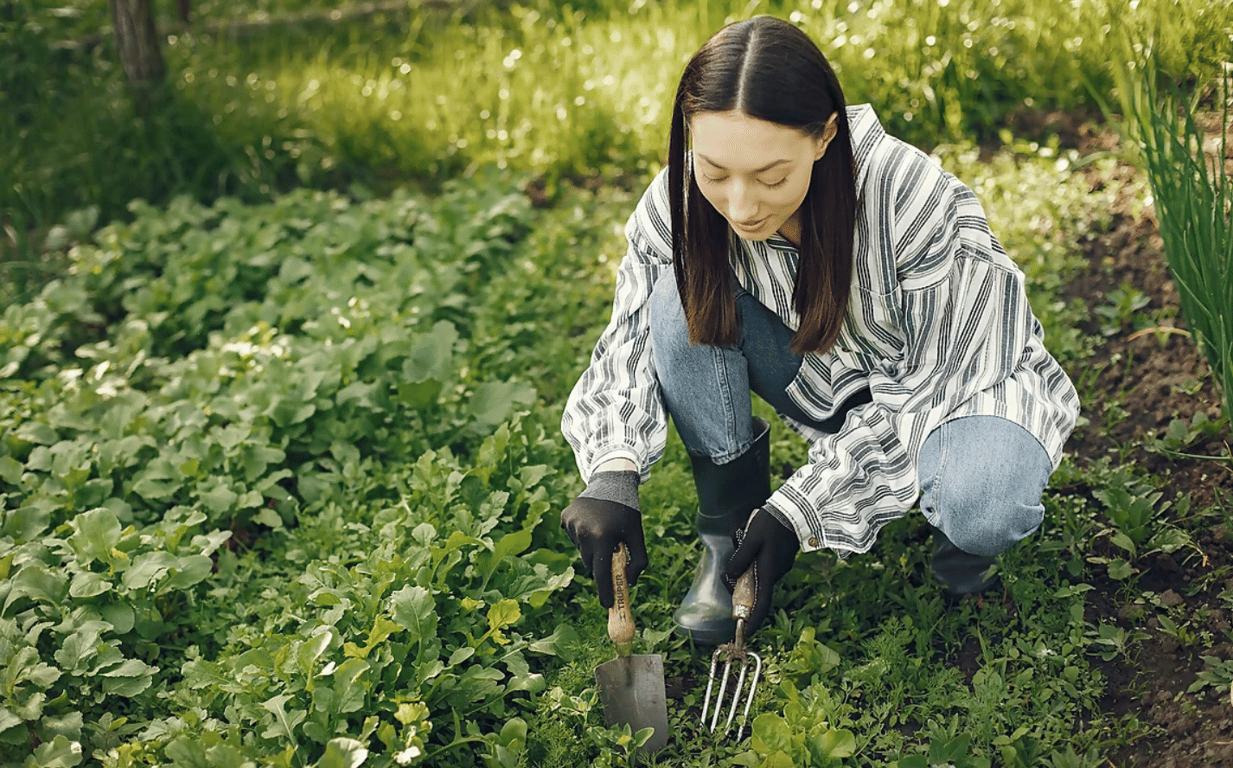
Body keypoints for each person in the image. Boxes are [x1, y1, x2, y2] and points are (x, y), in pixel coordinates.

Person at [559, 15, 1080, 645]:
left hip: (958, 390)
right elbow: (631, 335)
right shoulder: (684, 199)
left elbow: (929, 389)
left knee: (983, 502)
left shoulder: (911, 198)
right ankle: (730, 542)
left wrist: (796, 509)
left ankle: (961, 550)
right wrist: (612, 471)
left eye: (772, 177)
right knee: (676, 295)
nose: (743, 206)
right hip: (827, 378)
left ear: (825, 136)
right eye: (717, 171)